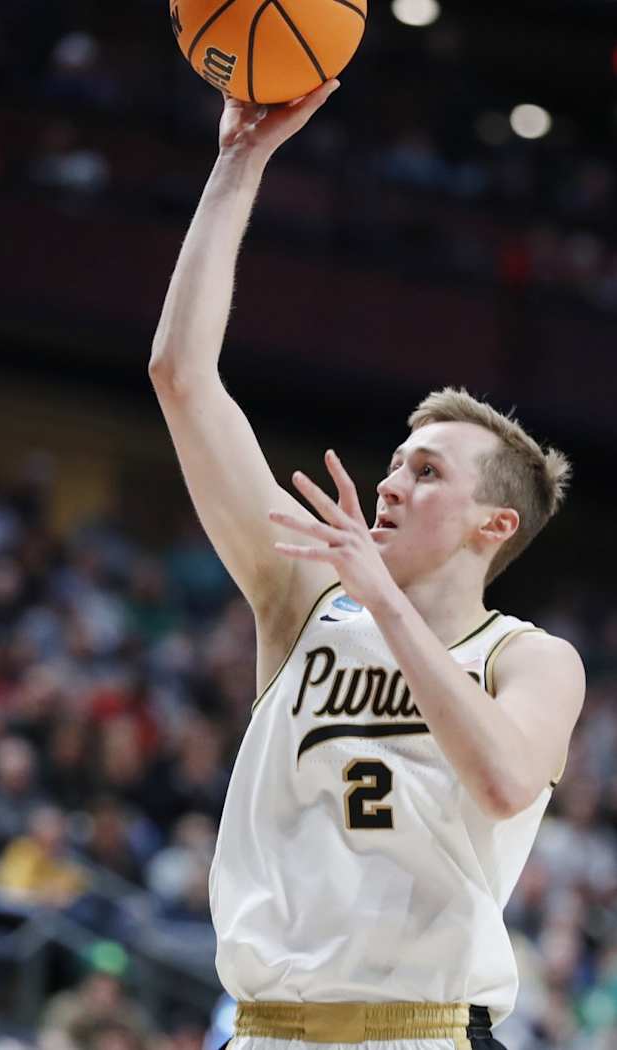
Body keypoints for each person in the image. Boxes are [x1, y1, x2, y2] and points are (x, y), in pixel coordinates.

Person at [148, 81, 585, 1050]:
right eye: (393, 463)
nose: (389, 484)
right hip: (262, 1029)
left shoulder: (528, 658)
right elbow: (181, 377)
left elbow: (506, 781)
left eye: (426, 473)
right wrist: (237, 165)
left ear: (492, 524)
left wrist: (384, 600)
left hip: (424, 1030)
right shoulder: (300, 596)